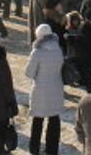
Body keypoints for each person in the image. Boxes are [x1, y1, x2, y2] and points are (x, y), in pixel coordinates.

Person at [25, 24, 64, 155]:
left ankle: (34, 149)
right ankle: (52, 150)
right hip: (57, 88)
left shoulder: (37, 52)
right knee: (54, 119)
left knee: (37, 121)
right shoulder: (58, 49)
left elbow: (29, 73)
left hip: (40, 91)